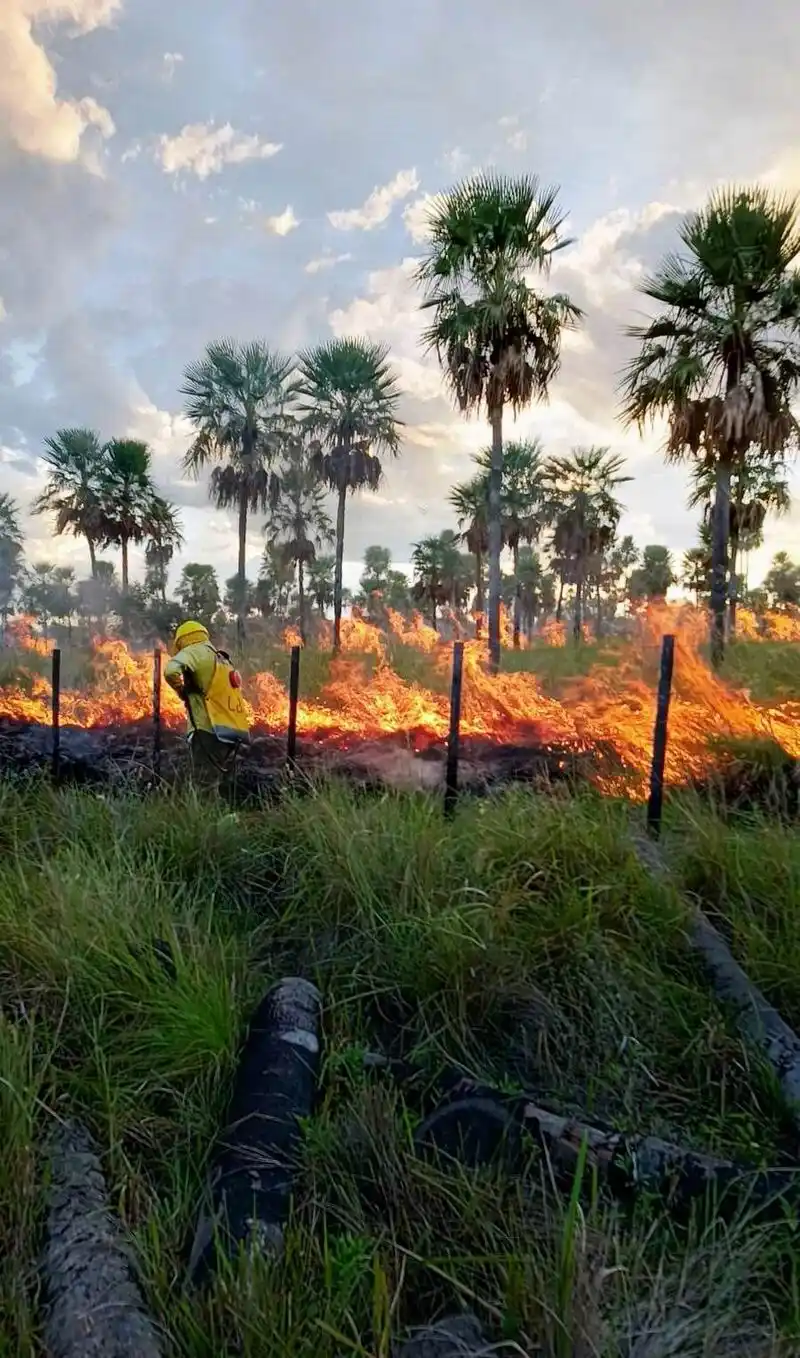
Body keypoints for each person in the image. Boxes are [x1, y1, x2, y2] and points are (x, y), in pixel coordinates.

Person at [164, 620, 250, 787]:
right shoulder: (222, 659)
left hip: (208, 730)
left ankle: (205, 813)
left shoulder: (194, 651)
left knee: (203, 785)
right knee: (217, 781)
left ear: (182, 640)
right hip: (231, 730)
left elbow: (170, 671)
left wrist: (181, 690)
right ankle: (223, 812)